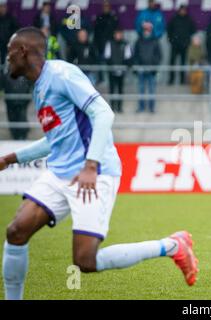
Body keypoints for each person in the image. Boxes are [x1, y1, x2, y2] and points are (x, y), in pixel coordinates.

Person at [0, 27, 198, 300]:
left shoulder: (61, 74)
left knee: (85, 261)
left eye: (9, 52)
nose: (6, 59)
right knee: (16, 231)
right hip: (60, 172)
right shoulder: (40, 87)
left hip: (95, 172)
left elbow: (103, 112)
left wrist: (90, 165)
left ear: (23, 51)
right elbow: (55, 140)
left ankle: (172, 246)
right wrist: (11, 158)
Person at [134, 23, 162, 113]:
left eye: (148, 29)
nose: (147, 31)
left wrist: (154, 66)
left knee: (152, 90)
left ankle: (151, 108)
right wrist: (138, 66)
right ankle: (141, 107)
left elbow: (159, 55)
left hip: (151, 69)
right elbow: (135, 55)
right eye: (145, 29)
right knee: (141, 89)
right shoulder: (138, 41)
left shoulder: (155, 41)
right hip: (141, 69)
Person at [104, 28, 132, 113]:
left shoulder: (125, 44)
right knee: (112, 89)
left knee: (120, 89)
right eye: (117, 34)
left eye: (120, 34)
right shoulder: (110, 43)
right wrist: (112, 66)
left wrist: (124, 67)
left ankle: (119, 107)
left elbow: (128, 57)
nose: (118, 36)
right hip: (112, 70)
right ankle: (112, 107)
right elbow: (107, 56)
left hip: (122, 70)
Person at [167, 5, 196, 85]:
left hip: (184, 45)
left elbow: (193, 30)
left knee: (183, 63)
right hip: (175, 45)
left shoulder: (189, 20)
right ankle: (171, 80)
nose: (183, 12)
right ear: (179, 10)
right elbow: (169, 30)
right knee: (172, 62)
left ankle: (182, 80)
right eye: (181, 10)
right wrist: (171, 40)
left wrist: (187, 40)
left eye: (184, 10)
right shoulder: (174, 19)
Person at [1, 69, 32, 140]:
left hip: (16, 101)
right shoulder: (20, 75)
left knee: (18, 116)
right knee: (18, 116)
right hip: (16, 101)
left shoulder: (9, 74)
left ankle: (19, 134)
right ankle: (19, 134)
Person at [93, 0, 119, 84]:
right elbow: (96, 33)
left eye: (107, 6)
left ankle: (111, 80)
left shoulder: (113, 18)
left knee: (111, 64)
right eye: (104, 6)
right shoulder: (99, 18)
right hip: (101, 45)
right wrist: (96, 44)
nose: (106, 8)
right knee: (100, 63)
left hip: (111, 46)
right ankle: (101, 80)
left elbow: (116, 32)